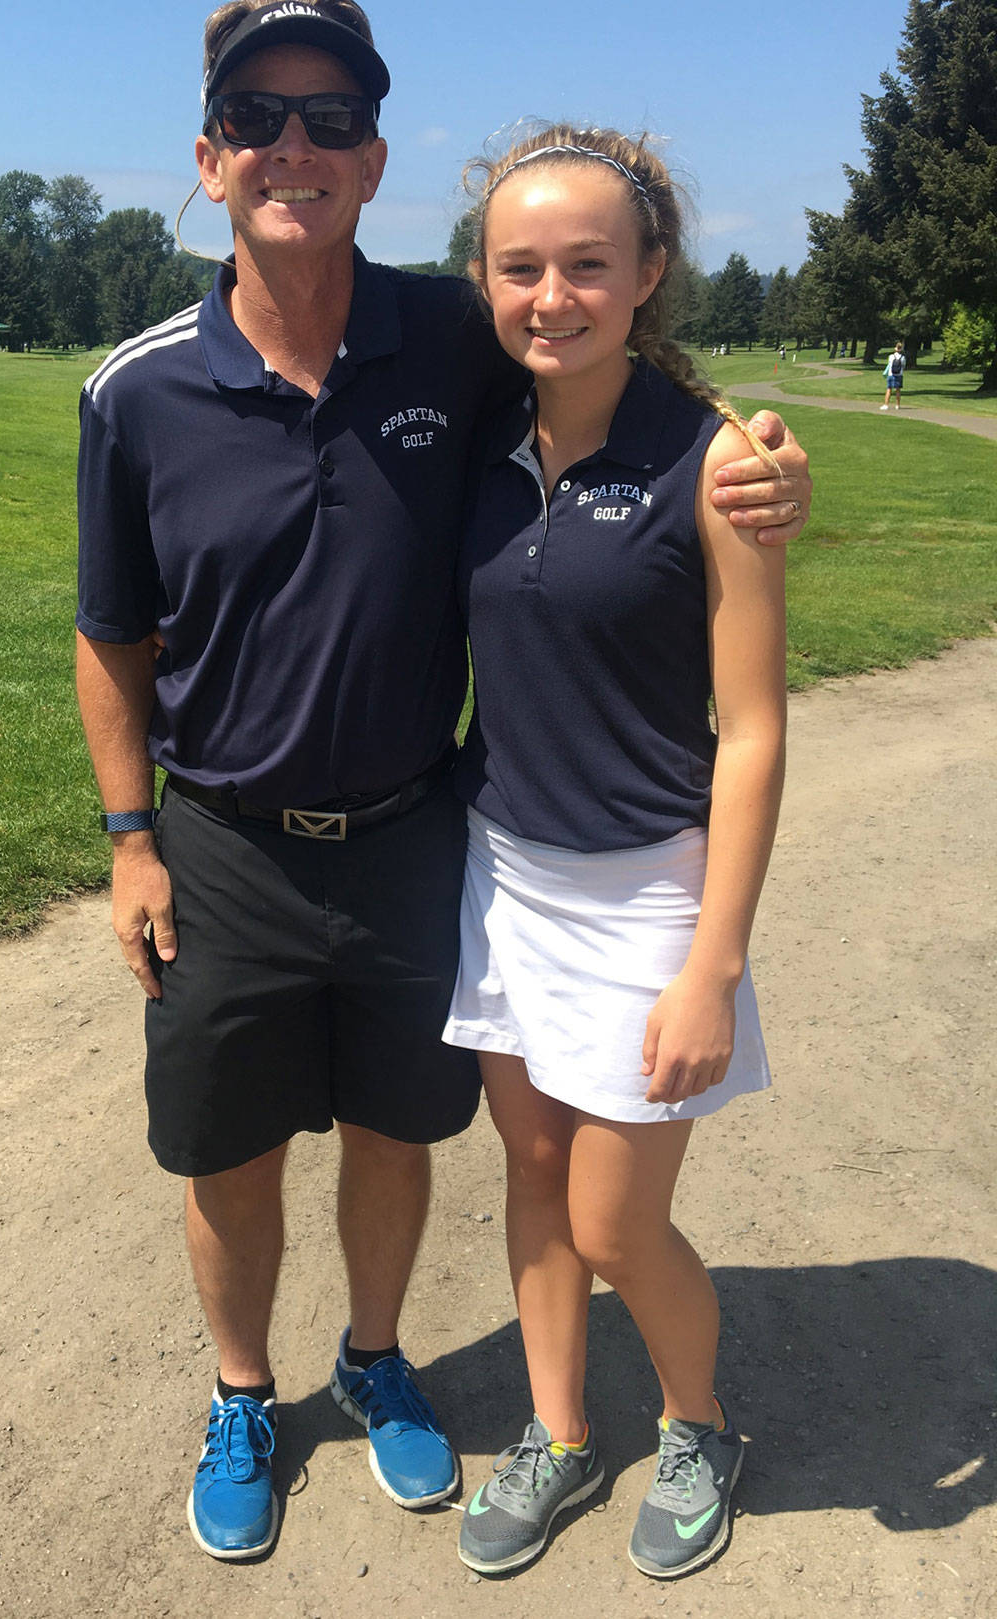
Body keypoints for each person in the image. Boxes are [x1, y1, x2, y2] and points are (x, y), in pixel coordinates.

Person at [74, 0, 812, 1564]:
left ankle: (397, 1355)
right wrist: (129, 836)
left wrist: (758, 468)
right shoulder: (137, 391)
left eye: (331, 119)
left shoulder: (451, 346)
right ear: (209, 160)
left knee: (417, 1132)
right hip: (239, 841)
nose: (297, 144)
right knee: (244, 1142)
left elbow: (635, 413)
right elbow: (110, 630)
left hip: (428, 836)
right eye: (261, 118)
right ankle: (254, 1391)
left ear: (374, 157)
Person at [445, 125, 787, 1582]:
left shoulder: (713, 462)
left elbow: (758, 729)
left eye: (589, 265)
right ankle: (561, 1426)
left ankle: (701, 1419)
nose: (552, 295)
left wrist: (714, 962)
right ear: (484, 278)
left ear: (648, 275)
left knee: (609, 1216)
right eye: (520, 267)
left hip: (652, 889)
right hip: (504, 873)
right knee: (530, 1167)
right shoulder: (476, 435)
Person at [882, 340, 906, 408]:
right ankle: (897, 405)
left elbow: (889, 364)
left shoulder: (891, 356)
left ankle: (886, 404)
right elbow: (903, 366)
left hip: (891, 374)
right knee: (898, 390)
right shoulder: (903, 358)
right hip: (899, 375)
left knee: (889, 389)